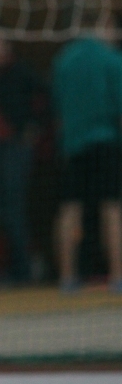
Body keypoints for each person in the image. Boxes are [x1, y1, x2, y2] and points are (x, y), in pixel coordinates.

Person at [52, 20, 122, 294]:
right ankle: (117, 276)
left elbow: (57, 104)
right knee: (111, 207)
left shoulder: (64, 61)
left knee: (70, 208)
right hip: (105, 141)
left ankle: (67, 278)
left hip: (72, 145)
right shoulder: (110, 59)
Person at [0, 29, 45, 283]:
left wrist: (32, 128)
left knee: (12, 208)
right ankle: (15, 267)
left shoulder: (19, 72)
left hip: (14, 146)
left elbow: (43, 96)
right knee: (4, 208)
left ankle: (23, 269)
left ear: (6, 44)